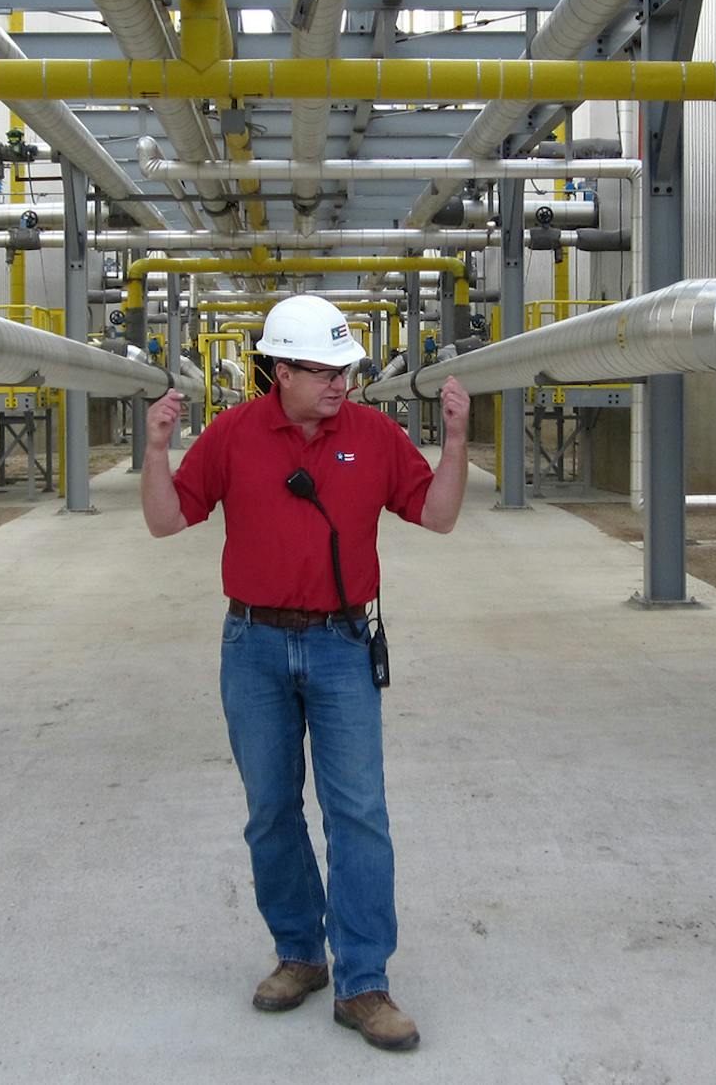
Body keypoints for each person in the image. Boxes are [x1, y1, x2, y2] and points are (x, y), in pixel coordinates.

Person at [139, 293, 470, 1053]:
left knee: (359, 813)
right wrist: (157, 450)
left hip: (342, 647)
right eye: (323, 372)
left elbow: (440, 516)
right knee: (270, 810)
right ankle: (299, 954)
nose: (341, 385)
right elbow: (165, 520)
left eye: (346, 370)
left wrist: (454, 442)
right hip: (252, 647)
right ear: (279, 370)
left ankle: (364, 982)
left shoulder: (374, 436)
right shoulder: (233, 435)